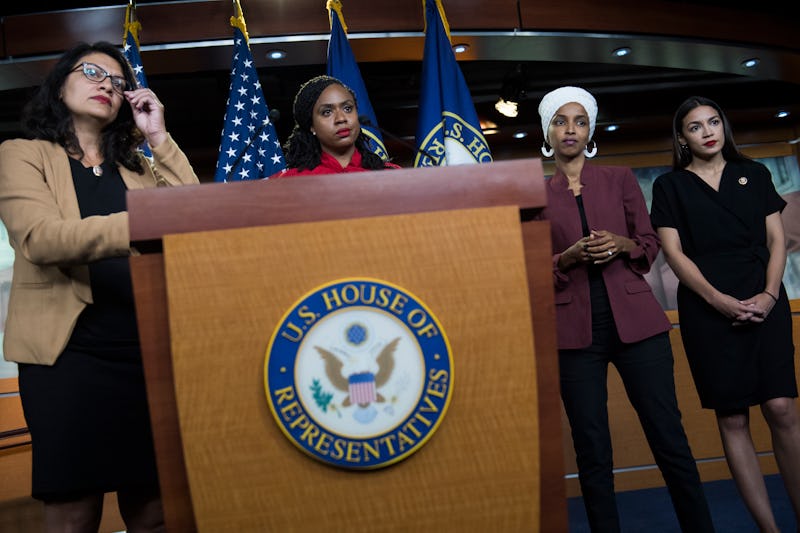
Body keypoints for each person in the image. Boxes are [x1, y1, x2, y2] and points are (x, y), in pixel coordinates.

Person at [0, 41, 199, 531]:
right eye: (92, 72)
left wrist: (158, 137)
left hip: (145, 354)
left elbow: (194, 217)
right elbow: (40, 239)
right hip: (67, 357)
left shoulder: (137, 166)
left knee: (153, 509)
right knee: (73, 512)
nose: (107, 85)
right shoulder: (22, 154)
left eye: (118, 81)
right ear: (60, 82)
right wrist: (143, 221)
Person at [536, 86, 714, 532]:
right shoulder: (534, 194)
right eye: (560, 121)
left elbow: (651, 244)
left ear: (590, 128)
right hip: (574, 334)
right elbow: (530, 265)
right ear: (547, 131)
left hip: (638, 325)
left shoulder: (620, 178)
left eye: (578, 120)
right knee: (592, 449)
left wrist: (623, 244)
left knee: (669, 438)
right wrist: (567, 258)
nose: (570, 129)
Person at [650, 95, 800, 532]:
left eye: (714, 122)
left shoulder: (754, 175)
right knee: (733, 416)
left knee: (782, 409)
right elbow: (674, 255)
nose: (708, 131)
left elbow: (776, 242)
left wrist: (771, 295)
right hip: (708, 311)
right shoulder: (670, 187)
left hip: (765, 302)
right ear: (682, 138)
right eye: (696, 127)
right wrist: (716, 300)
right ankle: (769, 530)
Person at [271, 75, 400, 177]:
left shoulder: (391, 175)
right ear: (311, 126)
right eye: (327, 112)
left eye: (348, 108)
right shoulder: (290, 182)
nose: (341, 119)